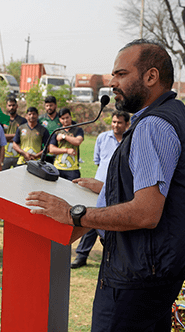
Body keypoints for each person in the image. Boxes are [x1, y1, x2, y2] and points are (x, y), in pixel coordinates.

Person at [26, 39, 185, 331]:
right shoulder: (180, 115)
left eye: (120, 74)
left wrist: (74, 214)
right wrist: (108, 189)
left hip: (136, 276)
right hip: (159, 272)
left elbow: (146, 212)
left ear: (150, 76)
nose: (111, 82)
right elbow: (166, 189)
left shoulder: (151, 125)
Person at [71, 110, 130, 269]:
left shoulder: (130, 141)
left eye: (119, 123)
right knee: (92, 219)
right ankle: (81, 256)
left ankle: (117, 257)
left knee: (114, 222)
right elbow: (97, 160)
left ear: (127, 124)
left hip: (119, 190)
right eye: (114, 122)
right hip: (99, 187)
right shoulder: (102, 138)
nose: (116, 125)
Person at [48, 108, 84, 181]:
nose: (65, 120)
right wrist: (66, 150)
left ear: (71, 117)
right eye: (63, 118)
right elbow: (51, 149)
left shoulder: (77, 130)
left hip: (73, 168)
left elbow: (77, 141)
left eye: (67, 117)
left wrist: (64, 136)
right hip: (58, 167)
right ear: (60, 120)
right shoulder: (57, 131)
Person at [2, 97, 27, 169]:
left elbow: (22, 138)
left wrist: (8, 137)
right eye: (9, 105)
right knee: (4, 177)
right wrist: (16, 136)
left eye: (13, 105)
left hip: (18, 155)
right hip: (5, 155)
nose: (11, 107)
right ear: (6, 106)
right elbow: (1, 136)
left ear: (17, 106)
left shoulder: (23, 121)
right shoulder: (2, 120)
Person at [38, 95, 62, 164]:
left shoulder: (61, 119)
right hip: (42, 153)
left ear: (56, 106)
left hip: (57, 153)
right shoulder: (40, 119)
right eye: (47, 106)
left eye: (51, 105)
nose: (49, 108)